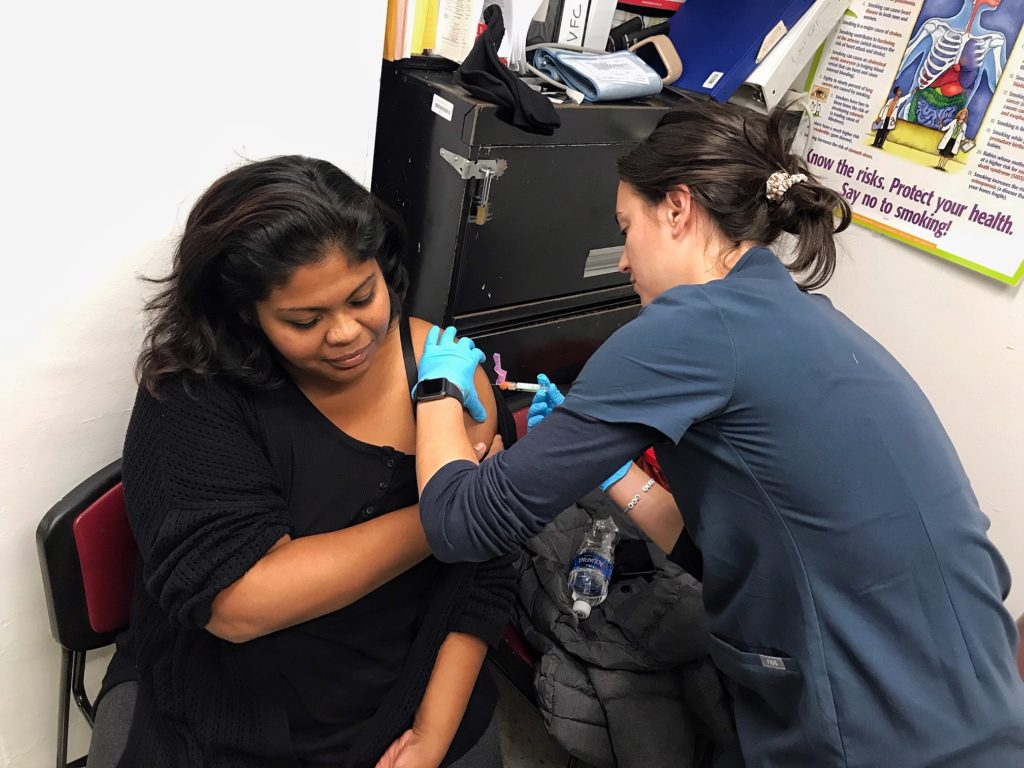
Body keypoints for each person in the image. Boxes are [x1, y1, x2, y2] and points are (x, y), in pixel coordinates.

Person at [408, 100, 1024, 767]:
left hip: (874, 730)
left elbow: (461, 522)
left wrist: (436, 384)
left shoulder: (688, 329)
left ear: (677, 209)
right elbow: (723, 552)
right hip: (979, 706)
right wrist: (613, 473)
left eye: (626, 227)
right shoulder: (805, 321)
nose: (620, 262)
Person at [87, 156, 517, 768]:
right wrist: (451, 513)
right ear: (246, 313)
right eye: (304, 320)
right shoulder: (191, 396)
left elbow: (484, 572)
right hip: (232, 706)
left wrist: (432, 731)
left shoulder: (445, 371)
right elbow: (238, 605)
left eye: (362, 296)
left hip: (414, 685)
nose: (346, 333)